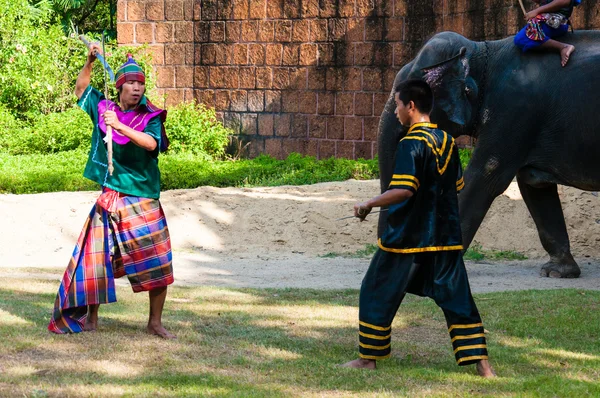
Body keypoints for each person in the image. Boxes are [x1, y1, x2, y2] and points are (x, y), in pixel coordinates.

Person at [341, 79, 494, 377]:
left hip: (408, 239)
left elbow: (405, 189)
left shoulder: (410, 143)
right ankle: (484, 367)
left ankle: (368, 359)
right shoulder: (448, 141)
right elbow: (457, 186)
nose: (397, 111)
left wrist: (369, 203)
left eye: (398, 105)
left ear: (411, 106)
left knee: (375, 289)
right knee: (459, 299)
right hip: (446, 237)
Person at [48, 44, 176, 339]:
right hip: (110, 194)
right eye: (131, 83)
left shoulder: (151, 115)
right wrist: (89, 61)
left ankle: (154, 322)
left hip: (142, 195)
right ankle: (92, 319)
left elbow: (152, 144)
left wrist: (120, 126)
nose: (136, 88)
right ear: (120, 87)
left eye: (141, 83)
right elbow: (81, 89)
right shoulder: (105, 108)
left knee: (157, 260)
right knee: (97, 259)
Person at [514, 0, 580, 67]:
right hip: (550, 23)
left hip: (554, 24)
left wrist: (536, 11)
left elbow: (564, 1)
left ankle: (563, 47)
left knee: (521, 38)